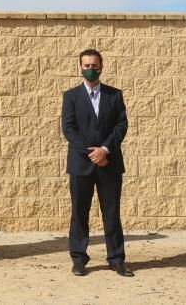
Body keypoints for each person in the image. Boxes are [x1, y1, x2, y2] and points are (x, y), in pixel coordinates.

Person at [61, 48, 133, 278]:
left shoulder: (114, 95)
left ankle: (116, 259)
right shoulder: (70, 97)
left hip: (109, 163)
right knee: (79, 213)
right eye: (87, 65)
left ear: (101, 66)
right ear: (79, 67)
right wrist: (91, 153)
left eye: (95, 65)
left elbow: (121, 125)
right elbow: (69, 129)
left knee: (111, 212)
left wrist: (104, 150)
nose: (91, 69)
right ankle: (79, 259)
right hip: (81, 164)